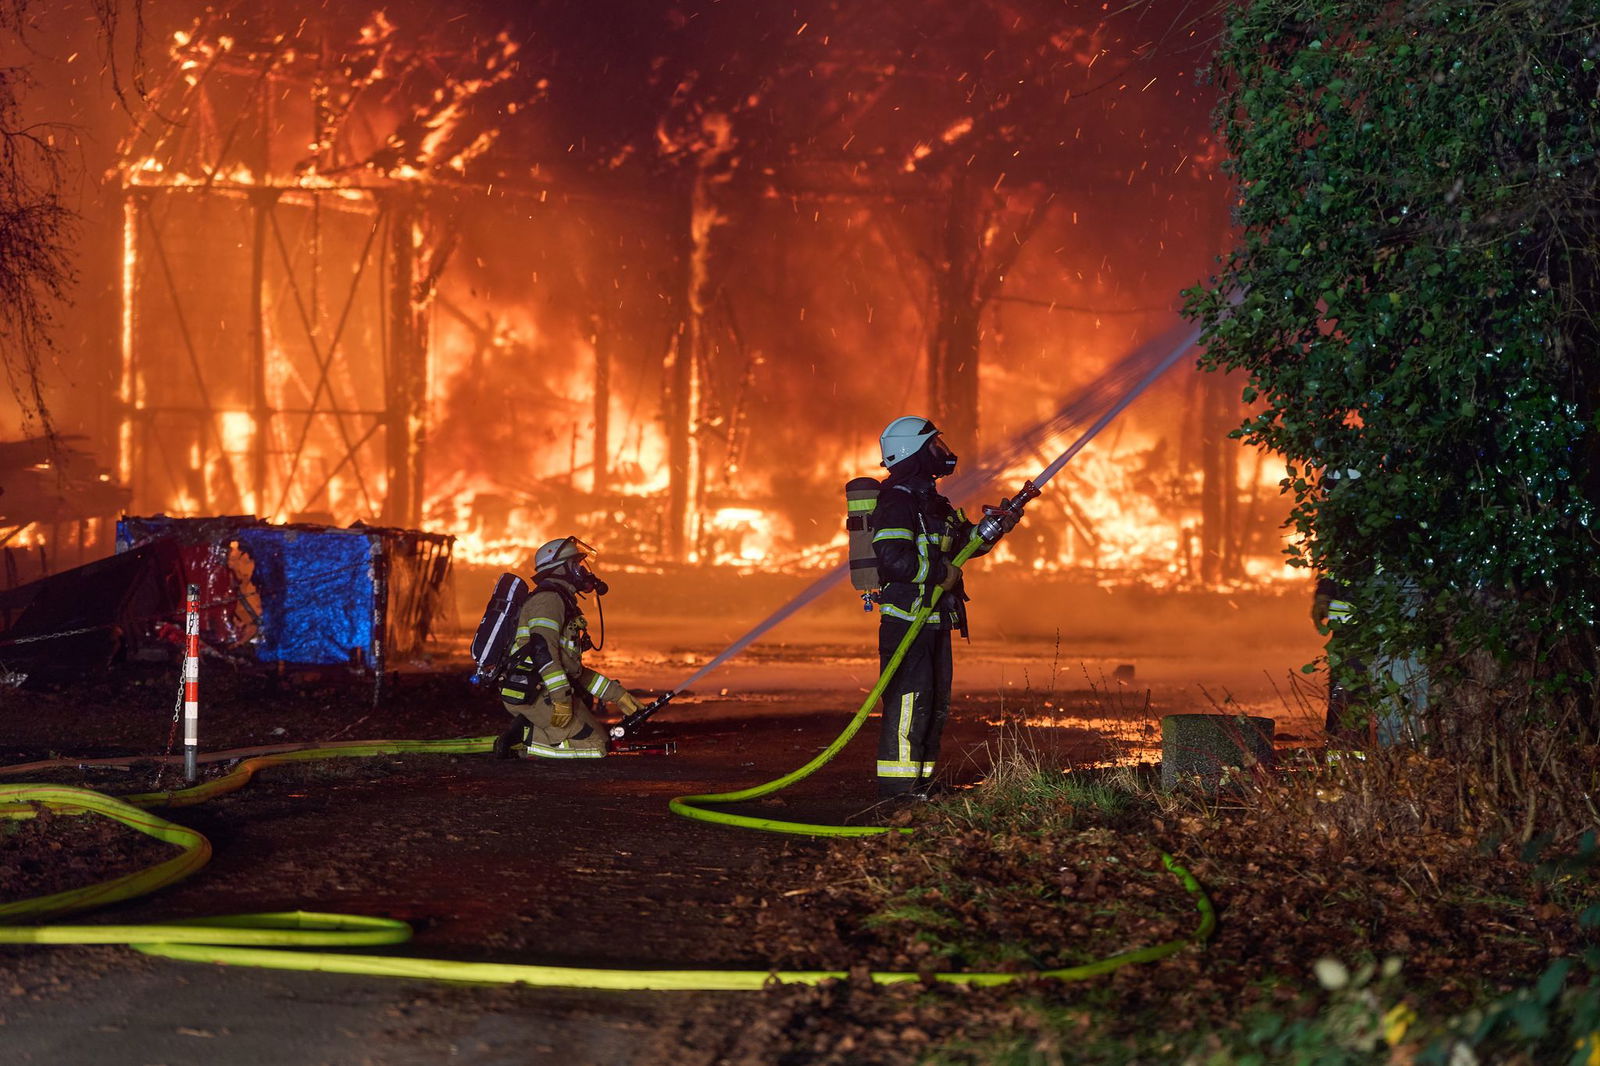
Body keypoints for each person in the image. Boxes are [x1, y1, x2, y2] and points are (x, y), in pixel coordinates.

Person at [869, 416, 1008, 799]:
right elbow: (893, 560)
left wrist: (996, 527)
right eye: (934, 447)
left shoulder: (933, 503)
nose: (942, 454)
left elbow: (969, 546)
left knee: (934, 704)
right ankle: (899, 789)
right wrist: (939, 573)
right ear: (914, 453)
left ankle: (922, 783)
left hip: (934, 619)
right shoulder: (896, 501)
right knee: (910, 702)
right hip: (907, 618)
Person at [494, 536, 646, 759]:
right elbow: (542, 652)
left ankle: (536, 730)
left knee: (601, 739)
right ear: (561, 569)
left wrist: (618, 695)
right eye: (576, 564)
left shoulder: (561, 601)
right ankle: (521, 739)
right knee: (595, 748)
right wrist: (561, 700)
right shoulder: (548, 601)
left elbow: (573, 670)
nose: (582, 570)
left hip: (545, 690)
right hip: (533, 692)